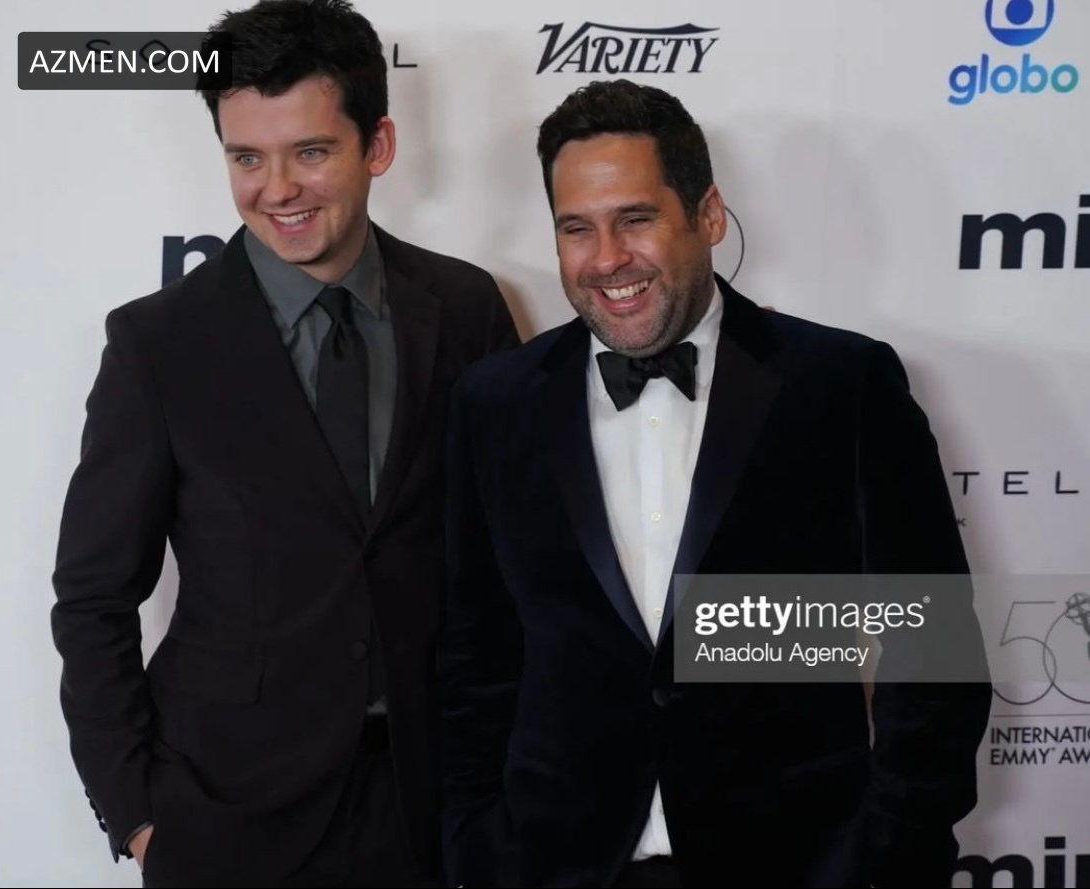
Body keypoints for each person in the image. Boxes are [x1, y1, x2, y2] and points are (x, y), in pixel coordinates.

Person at [438, 79, 992, 889]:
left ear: (707, 215)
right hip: (558, 864)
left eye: (635, 218)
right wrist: (477, 844)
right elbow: (475, 654)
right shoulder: (494, 402)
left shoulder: (840, 383)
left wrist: (885, 848)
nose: (606, 258)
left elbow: (930, 644)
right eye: (575, 227)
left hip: (796, 865)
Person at [50, 1, 518, 886]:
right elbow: (92, 596)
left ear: (377, 145)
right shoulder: (157, 343)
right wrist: (139, 812)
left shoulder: (465, 308)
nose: (276, 189)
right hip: (225, 815)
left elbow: (513, 557)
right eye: (246, 157)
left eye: (309, 151)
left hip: (434, 809)